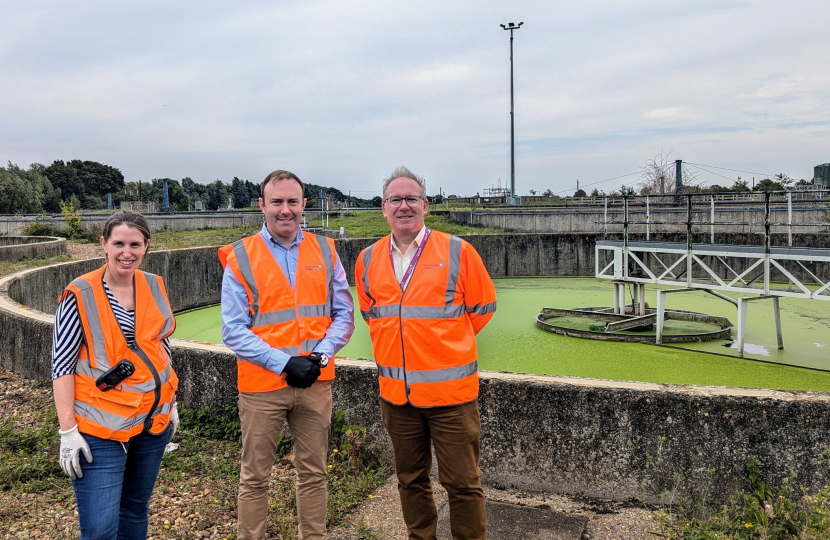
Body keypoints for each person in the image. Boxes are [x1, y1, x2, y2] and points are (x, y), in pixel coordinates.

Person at [355, 166, 497, 540]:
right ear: (383, 208)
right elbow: (374, 315)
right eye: (395, 199)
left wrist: (441, 345)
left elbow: (482, 309)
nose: (404, 206)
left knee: (463, 483)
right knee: (410, 480)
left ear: (425, 205)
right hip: (397, 398)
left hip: (451, 396)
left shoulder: (458, 251)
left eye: (411, 198)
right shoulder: (367, 259)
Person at [219, 169, 354, 540]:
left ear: (304, 205)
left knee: (314, 473)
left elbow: (344, 314)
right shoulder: (242, 256)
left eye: (292, 202)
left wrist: (320, 356)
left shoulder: (325, 250)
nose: (285, 210)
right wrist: (283, 362)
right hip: (263, 387)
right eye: (276, 202)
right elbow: (233, 328)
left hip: (315, 383)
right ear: (262, 205)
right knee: (254, 477)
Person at [52, 211, 179, 540]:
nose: (127, 252)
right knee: (99, 529)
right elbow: (62, 365)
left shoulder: (154, 284)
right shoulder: (79, 294)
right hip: (101, 430)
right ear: (103, 244)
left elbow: (161, 346)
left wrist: (170, 401)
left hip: (152, 424)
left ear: (146, 245)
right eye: (119, 243)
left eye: (135, 244)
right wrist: (68, 431)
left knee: (135, 509)